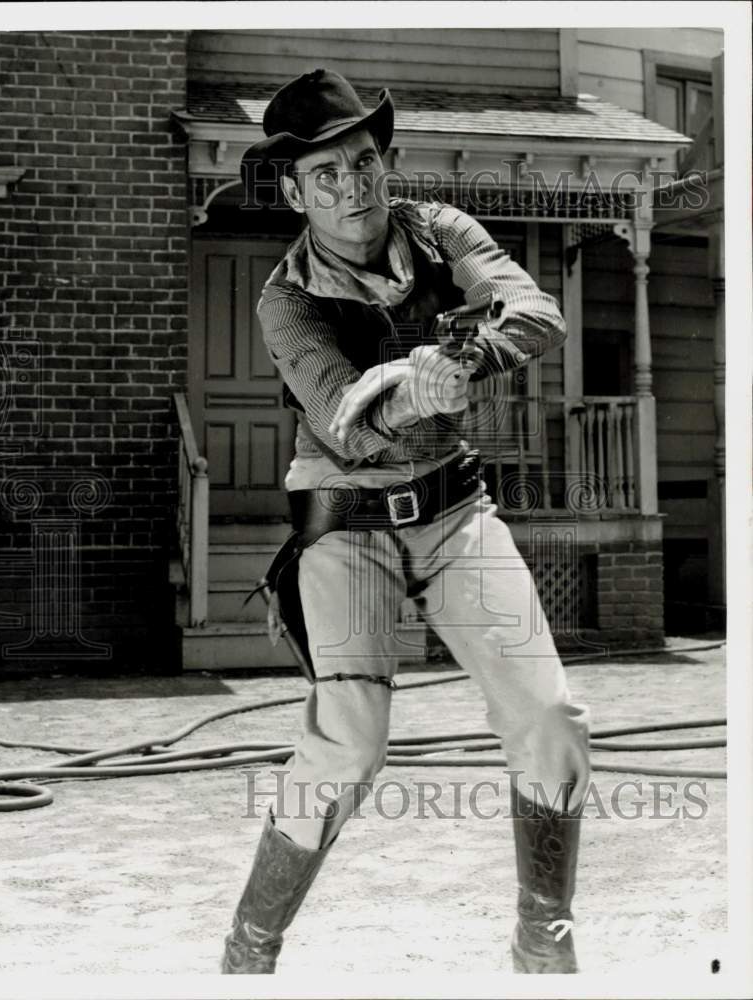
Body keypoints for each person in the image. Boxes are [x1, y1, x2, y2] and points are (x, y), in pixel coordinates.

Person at [221, 68, 591, 975]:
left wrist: (465, 359)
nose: (349, 186)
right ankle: (249, 949)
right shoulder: (285, 297)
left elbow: (534, 310)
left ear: (384, 162)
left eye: (361, 162)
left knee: (549, 716)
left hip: (450, 503)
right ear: (294, 190)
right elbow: (342, 411)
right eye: (324, 174)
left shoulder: (441, 230)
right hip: (342, 516)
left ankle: (543, 936)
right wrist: (406, 386)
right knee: (347, 741)